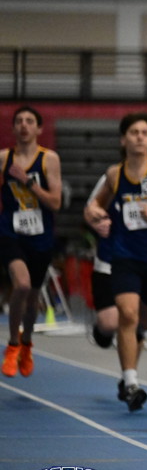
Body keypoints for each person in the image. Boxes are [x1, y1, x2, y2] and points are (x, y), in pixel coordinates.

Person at [84, 113, 147, 411]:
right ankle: (131, 381)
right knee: (127, 314)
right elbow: (94, 205)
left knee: (144, 323)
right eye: (133, 132)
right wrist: (96, 215)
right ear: (123, 140)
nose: (139, 137)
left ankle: (128, 374)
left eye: (144, 132)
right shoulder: (115, 174)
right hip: (125, 256)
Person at [1, 106, 62, 378]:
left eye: (29, 121)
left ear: (39, 129)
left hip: (41, 236)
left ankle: (26, 343)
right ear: (13, 128)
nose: (24, 125)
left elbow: (56, 203)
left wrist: (28, 182)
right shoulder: (3, 158)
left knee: (33, 296)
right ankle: (13, 344)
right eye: (19, 121)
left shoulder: (49, 159)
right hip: (10, 232)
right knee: (22, 285)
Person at [85, 174, 119, 350]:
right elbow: (90, 210)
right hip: (109, 260)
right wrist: (97, 222)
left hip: (143, 260)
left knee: (139, 322)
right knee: (108, 326)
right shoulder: (112, 177)